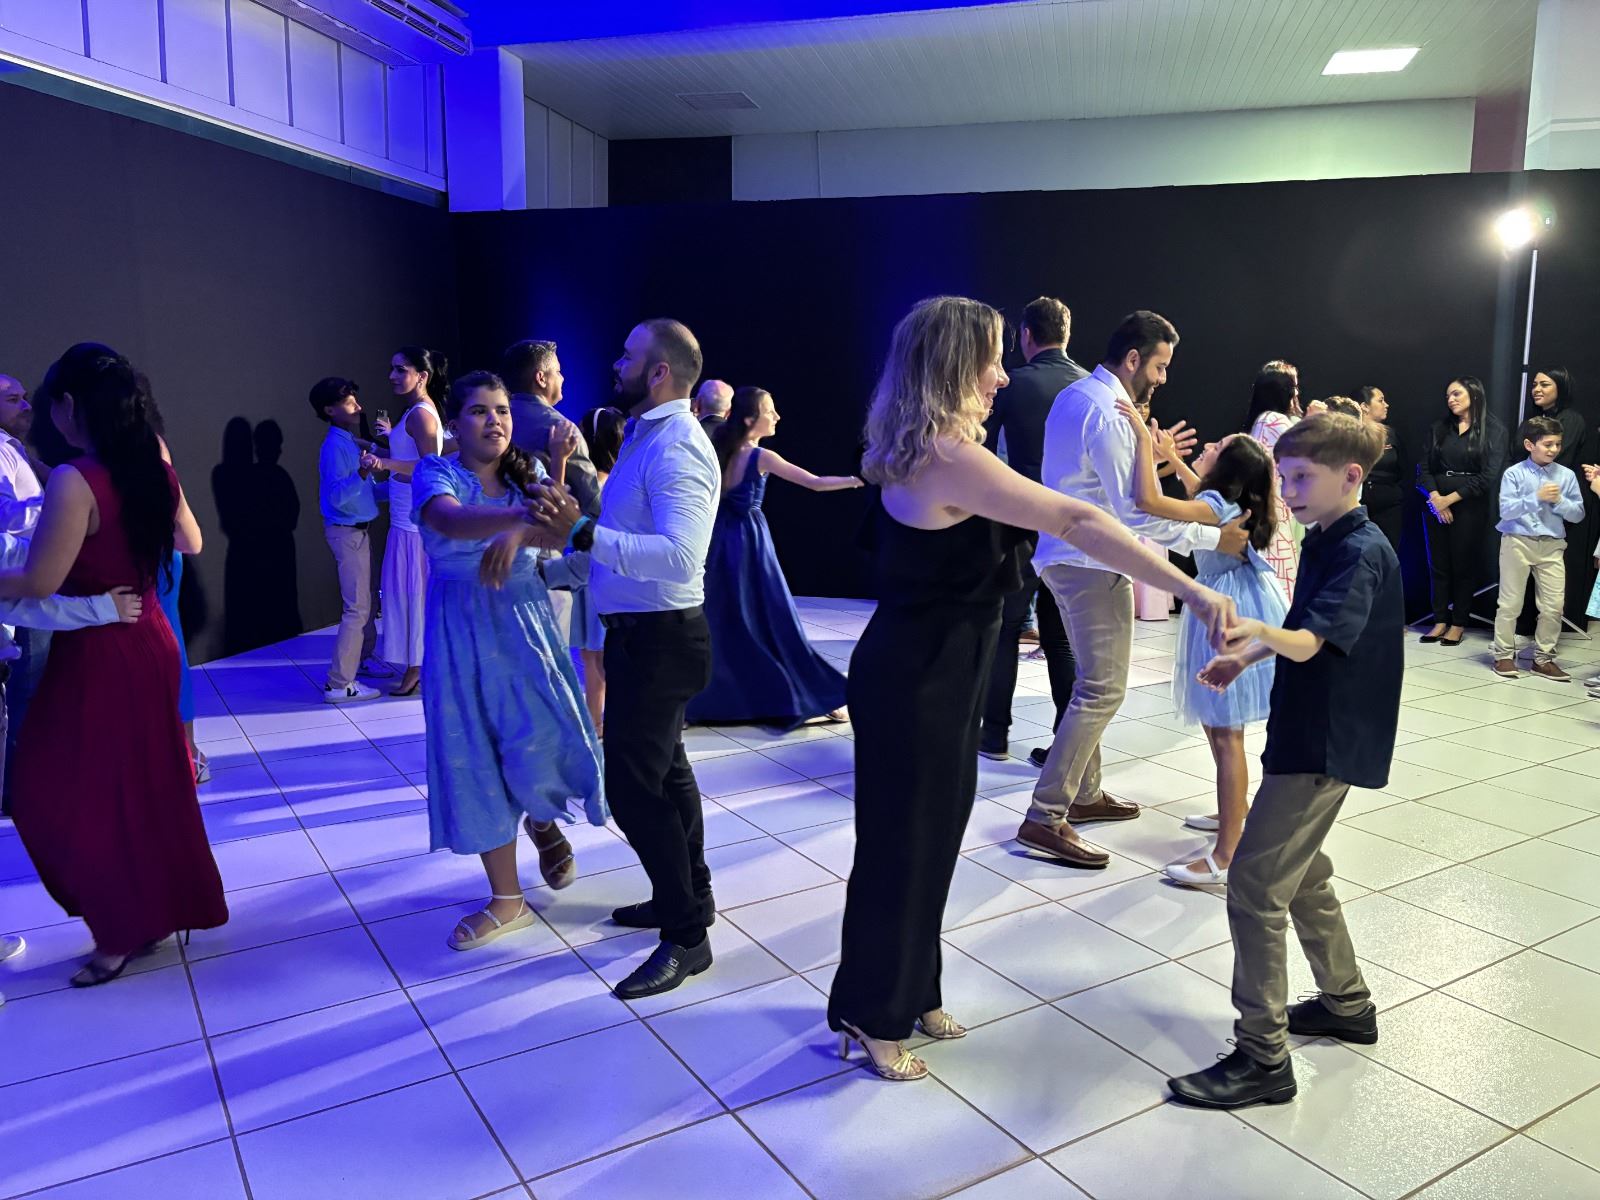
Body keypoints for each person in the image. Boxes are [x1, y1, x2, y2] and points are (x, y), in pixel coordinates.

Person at [813, 297, 1230, 1082]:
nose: (1003, 376)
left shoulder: (937, 447)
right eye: (990, 360)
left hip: (938, 674)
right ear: (952, 366)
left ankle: (912, 990)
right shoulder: (946, 455)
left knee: (932, 840)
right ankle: (871, 1011)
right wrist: (1193, 588)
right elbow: (1078, 521)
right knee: (902, 848)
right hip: (916, 680)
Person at [1168, 413, 1397, 1109]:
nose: (1288, 492)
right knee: (1303, 872)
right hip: (1309, 732)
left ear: (1350, 476)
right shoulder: (1328, 537)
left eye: (1301, 478)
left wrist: (1258, 632)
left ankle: (1263, 1057)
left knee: (1255, 884)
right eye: (1284, 478)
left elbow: (1311, 641)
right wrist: (1248, 655)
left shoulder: (1361, 551)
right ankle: (1346, 1003)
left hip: (1325, 742)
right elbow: (1301, 633)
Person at [3, 343, 227, 986]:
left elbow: (40, 580)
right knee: (143, 784)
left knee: (59, 788)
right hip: (150, 634)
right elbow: (191, 540)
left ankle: (119, 929)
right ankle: (145, 916)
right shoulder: (152, 461)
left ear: (70, 405)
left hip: (102, 650)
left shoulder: (76, 479)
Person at [528, 320, 721, 1002]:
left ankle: (687, 936)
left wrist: (580, 531)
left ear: (659, 371)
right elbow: (618, 549)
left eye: (628, 355)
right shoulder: (646, 434)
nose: (616, 363)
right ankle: (688, 900)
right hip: (642, 637)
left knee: (636, 791)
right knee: (667, 776)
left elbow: (679, 557)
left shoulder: (679, 446)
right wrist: (550, 572)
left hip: (664, 640)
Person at [1023, 312, 1250, 869]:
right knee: (1102, 690)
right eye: (1160, 366)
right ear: (1133, 359)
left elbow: (1111, 490)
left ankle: (1084, 793)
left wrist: (1153, 454)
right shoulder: (1107, 411)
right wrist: (1214, 538)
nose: (1163, 378)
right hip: (1091, 562)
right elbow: (1135, 511)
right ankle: (1045, 815)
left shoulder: (1080, 395)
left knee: (1091, 683)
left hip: (1069, 556)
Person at [412, 371, 605, 949]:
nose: (494, 420)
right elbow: (449, 520)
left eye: (501, 409)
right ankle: (507, 899)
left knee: (534, 739)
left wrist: (536, 512)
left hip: (525, 627)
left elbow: (562, 532)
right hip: (461, 631)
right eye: (478, 411)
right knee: (475, 753)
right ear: (454, 423)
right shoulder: (436, 472)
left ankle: (542, 820)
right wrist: (520, 521)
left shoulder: (531, 473)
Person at [1120, 403, 1286, 885]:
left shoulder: (1217, 506)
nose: (1209, 446)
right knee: (1221, 727)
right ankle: (1235, 812)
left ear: (1228, 469)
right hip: (1246, 601)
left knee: (1224, 731)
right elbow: (1197, 493)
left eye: (1217, 447)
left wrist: (1143, 443)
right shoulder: (1229, 502)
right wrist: (1175, 460)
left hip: (1226, 609)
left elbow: (1150, 503)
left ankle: (1227, 852)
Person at [688, 386, 858, 728]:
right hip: (748, 542)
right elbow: (815, 483)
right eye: (770, 411)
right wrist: (858, 480)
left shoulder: (719, 449)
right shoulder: (760, 457)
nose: (777, 416)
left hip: (718, 539)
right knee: (775, 620)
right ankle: (814, 695)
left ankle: (704, 700)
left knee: (723, 620)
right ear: (750, 419)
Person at [977, 297, 1084, 764]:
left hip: (1019, 520)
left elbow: (982, 446)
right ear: (1067, 334)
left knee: (1005, 628)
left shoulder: (1013, 384)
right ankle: (1065, 741)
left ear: (1025, 335)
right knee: (1060, 636)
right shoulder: (1088, 387)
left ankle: (994, 736)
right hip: (1072, 524)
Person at [368, 346, 449, 696]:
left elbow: (430, 467)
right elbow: (408, 455)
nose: (392, 376)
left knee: (413, 593)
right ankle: (416, 663)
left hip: (413, 522)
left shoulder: (421, 415)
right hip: (405, 517)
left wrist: (385, 464)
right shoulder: (415, 412)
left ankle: (417, 666)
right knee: (407, 592)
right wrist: (379, 452)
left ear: (422, 376)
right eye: (392, 368)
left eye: (401, 369)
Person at [1491, 416, 1585, 681]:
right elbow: (1506, 511)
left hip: (1552, 546)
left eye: (1557, 444)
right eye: (1547, 444)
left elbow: (1578, 514)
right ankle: (1503, 655)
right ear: (1529, 445)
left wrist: (1559, 501)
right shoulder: (1514, 473)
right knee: (1510, 603)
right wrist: (1536, 497)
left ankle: (1543, 659)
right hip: (1517, 541)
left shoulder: (1566, 475)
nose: (1554, 449)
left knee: (1554, 606)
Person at [1419, 377, 1508, 647]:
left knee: (1463, 565)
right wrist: (1436, 499)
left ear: (1474, 394)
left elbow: (1489, 475)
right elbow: (1423, 469)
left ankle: (1458, 623)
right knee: (1438, 564)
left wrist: (1450, 500)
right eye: (1448, 395)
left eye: (1456, 394)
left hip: (1470, 505)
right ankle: (1439, 620)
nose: (1451, 399)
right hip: (1435, 503)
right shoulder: (1438, 428)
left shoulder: (1494, 430)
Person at [311, 378, 383, 703]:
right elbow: (337, 497)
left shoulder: (349, 443)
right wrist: (364, 473)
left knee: (364, 603)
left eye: (356, 400)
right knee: (357, 608)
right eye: (349, 402)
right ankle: (339, 683)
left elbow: (364, 493)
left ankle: (360, 662)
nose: (358, 407)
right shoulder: (334, 447)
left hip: (356, 531)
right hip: (347, 532)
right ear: (329, 410)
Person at [1528, 368, 1595, 627]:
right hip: (1536, 501)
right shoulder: (1535, 419)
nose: (1537, 389)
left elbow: (1556, 459)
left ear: (1561, 388)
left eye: (1545, 384)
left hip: (1562, 502)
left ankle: (1554, 627)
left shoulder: (1572, 419)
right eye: (1535, 384)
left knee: (1556, 569)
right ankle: (1530, 623)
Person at [1243, 363, 1302, 598]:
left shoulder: (1263, 420)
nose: (1297, 393)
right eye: (1293, 386)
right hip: (1275, 513)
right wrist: (1316, 420)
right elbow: (1308, 450)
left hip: (1272, 511)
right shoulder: (1274, 421)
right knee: (1280, 589)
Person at [1358, 386, 1405, 552]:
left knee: (1388, 552)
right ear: (1364, 406)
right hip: (1358, 503)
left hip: (1389, 504)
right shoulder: (1350, 434)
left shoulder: (1390, 434)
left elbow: (1402, 468)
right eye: (1381, 400)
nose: (1386, 405)